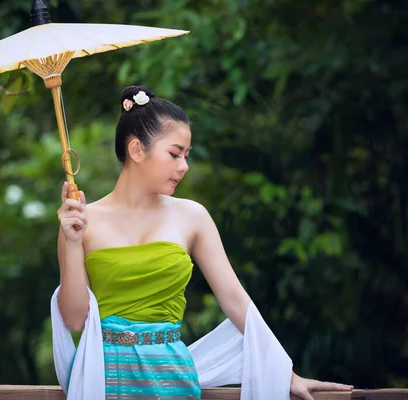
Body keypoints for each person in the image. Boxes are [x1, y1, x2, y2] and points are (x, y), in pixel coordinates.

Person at [55, 85, 353, 399]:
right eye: (174, 154)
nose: (183, 166)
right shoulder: (81, 221)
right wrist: (73, 241)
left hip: (172, 380)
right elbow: (75, 320)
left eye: (186, 155)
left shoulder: (192, 216)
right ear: (136, 150)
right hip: (104, 380)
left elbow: (237, 301)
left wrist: (283, 372)